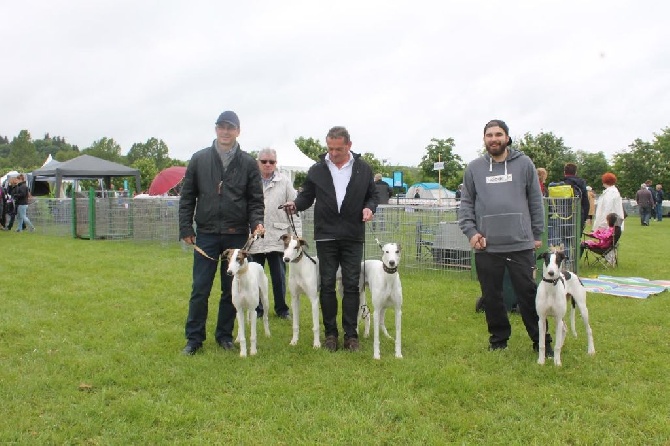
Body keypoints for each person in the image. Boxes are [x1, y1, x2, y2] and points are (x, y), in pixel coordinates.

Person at [458, 119, 551, 355]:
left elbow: (535, 201)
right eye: (489, 135)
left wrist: (536, 233)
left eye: (498, 134)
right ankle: (498, 340)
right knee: (492, 296)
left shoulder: (524, 164)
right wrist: (471, 232)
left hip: (520, 243)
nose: (494, 139)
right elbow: (466, 203)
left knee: (528, 294)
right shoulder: (475, 168)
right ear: (484, 140)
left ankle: (541, 341)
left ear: (507, 137)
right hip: (486, 245)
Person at [282, 126, 378, 352]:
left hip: (353, 235)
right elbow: (306, 196)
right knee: (326, 285)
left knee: (352, 285)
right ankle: (330, 335)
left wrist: (369, 208)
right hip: (326, 236)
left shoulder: (363, 169)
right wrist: (295, 205)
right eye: (330, 148)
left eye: (339, 149)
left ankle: (351, 335)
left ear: (349, 146)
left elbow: (372, 196)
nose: (333, 153)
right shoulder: (317, 169)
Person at [178, 110, 265, 355]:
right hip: (205, 234)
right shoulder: (199, 159)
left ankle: (224, 335)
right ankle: (194, 339)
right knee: (200, 288)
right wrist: (186, 227)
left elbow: (255, 200)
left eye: (230, 127)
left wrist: (256, 222)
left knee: (231, 289)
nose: (225, 132)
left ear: (238, 131)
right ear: (216, 129)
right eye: (221, 127)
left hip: (236, 234)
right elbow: (187, 197)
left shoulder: (248, 163)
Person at [248, 148, 296, 320]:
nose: (268, 164)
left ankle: (282, 309)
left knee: (279, 277)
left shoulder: (284, 181)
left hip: (278, 236)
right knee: (255, 275)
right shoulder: (250, 180)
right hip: (256, 237)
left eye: (272, 161)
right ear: (258, 162)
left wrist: (295, 237)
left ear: (276, 163)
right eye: (264, 161)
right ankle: (258, 308)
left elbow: (294, 208)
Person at [561, 163, 589, 232]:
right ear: (576, 172)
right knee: (576, 238)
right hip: (579, 214)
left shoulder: (561, 184)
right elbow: (585, 202)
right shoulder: (582, 184)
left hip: (564, 215)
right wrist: (584, 218)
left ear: (564, 172)